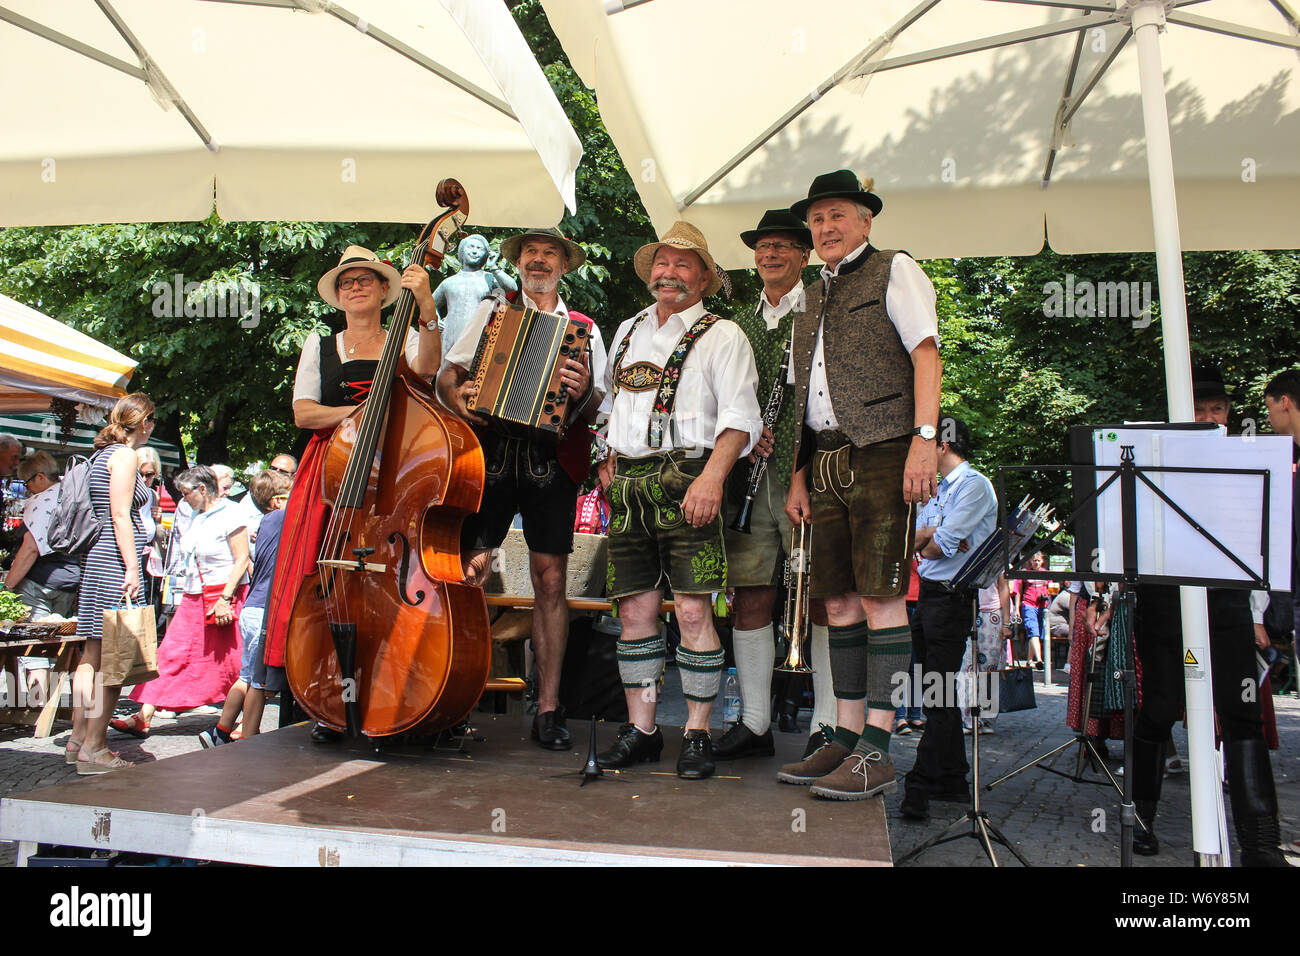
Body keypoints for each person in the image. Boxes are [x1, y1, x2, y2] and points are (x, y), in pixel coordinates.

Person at [779, 170, 941, 801]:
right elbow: (799, 395)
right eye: (817, 220)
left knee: (881, 599)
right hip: (823, 459)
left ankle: (880, 746)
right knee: (838, 603)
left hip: (884, 447)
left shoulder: (895, 269)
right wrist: (796, 471)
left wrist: (924, 439)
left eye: (837, 216)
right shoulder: (810, 294)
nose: (825, 228)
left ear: (866, 220)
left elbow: (926, 352)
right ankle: (844, 740)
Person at [594, 221, 762, 780]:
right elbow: (606, 408)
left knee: (693, 608)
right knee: (635, 611)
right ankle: (642, 730)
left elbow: (741, 420)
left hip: (690, 477)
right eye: (662, 264)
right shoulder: (625, 330)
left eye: (683, 265)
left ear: (705, 278)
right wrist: (604, 460)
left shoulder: (724, 335)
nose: (669, 273)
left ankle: (695, 732)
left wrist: (712, 478)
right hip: (630, 482)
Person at [263, 245, 441, 744]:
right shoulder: (319, 346)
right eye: (346, 283)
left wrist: (426, 304)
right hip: (332, 471)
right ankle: (320, 701)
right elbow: (304, 413)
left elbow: (427, 371)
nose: (355, 287)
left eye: (365, 280)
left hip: (392, 473)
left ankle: (391, 692)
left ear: (386, 291)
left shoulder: (404, 337)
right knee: (320, 580)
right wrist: (362, 417)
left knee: (383, 582)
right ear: (338, 296)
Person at [437, 227, 606, 751]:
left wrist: (584, 393)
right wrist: (461, 399)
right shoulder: (492, 313)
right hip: (490, 455)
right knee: (469, 568)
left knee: (550, 577)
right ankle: (452, 697)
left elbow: (601, 404)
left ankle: (549, 707)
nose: (538, 260)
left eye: (548, 253)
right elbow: (448, 375)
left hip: (551, 461)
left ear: (564, 264)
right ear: (520, 261)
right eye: (530, 252)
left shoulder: (583, 329)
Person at [1129, 366, 1287, 865]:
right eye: (1199, 408)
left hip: (1225, 601)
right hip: (1164, 602)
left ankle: (1260, 845)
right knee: (1158, 708)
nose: (1209, 417)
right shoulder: (1149, 462)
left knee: (1243, 717)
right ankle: (1140, 823)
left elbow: (1263, 548)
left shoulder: (1247, 459)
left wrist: (1257, 612)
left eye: (1217, 409)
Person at [716, 209, 835, 761]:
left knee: (820, 596)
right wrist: (743, 433)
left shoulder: (823, 309)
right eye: (763, 247)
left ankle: (828, 722)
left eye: (783, 246)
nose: (770, 255)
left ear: (804, 254)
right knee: (751, 594)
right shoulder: (736, 322)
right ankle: (756, 722)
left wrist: (796, 457)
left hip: (806, 473)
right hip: (748, 474)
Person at [899, 417, 998, 819]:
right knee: (934, 689)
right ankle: (953, 778)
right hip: (930, 596)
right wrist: (932, 537)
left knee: (937, 693)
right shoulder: (936, 490)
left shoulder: (974, 486)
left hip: (953, 597)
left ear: (941, 445)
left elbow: (937, 546)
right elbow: (914, 539)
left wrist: (933, 537)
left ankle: (919, 784)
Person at [116, 466, 250, 736]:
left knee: (235, 662)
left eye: (186, 493)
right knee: (171, 653)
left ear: (202, 489)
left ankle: (246, 718)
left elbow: (242, 559)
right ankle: (144, 715)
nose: (183, 498)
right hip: (194, 595)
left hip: (225, 595)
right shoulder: (192, 514)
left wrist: (225, 598)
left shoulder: (232, 513)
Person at [67, 393, 156, 774]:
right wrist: (132, 567)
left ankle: (77, 740)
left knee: (92, 655)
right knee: (115, 660)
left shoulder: (99, 456)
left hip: (99, 559)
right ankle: (96, 747)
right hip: (114, 560)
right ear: (145, 421)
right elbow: (120, 514)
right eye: (152, 420)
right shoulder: (123, 456)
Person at [198, 468, 292, 747]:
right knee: (259, 682)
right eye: (290, 496)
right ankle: (249, 735)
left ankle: (220, 730)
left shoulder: (265, 522)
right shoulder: (280, 517)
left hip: (253, 606)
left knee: (247, 676)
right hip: (264, 608)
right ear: (276, 501)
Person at [9, 452, 81, 701]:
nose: (27, 488)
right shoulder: (72, 495)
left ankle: (38, 708)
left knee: (33, 646)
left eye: (27, 482)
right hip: (70, 579)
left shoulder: (41, 502)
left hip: (40, 581)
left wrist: (7, 587)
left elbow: (29, 550)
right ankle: (61, 706)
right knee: (58, 644)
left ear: (40, 477)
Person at [434, 234, 518, 359]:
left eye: (480, 249)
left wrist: (493, 267)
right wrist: (437, 320)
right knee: (446, 373)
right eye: (471, 247)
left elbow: (512, 288)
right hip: (450, 334)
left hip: (479, 335)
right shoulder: (449, 282)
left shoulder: (489, 278)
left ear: (486, 254)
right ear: (463, 250)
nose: (474, 251)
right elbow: (431, 303)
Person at [1013, 552, 1049, 667]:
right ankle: (1039, 660)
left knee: (1035, 633)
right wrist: (1017, 609)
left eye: (1038, 560)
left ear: (1042, 561)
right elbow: (1018, 592)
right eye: (1034, 560)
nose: (1036, 562)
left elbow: (1051, 590)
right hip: (1028, 605)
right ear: (1030, 561)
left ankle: (1029, 660)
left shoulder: (1046, 574)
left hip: (1042, 606)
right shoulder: (1025, 573)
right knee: (1034, 632)